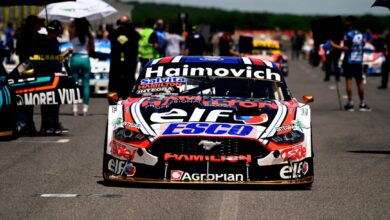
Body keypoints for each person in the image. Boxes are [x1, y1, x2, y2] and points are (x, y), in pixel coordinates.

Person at [37, 20, 72, 135]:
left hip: (50, 73)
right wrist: (65, 53)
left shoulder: (50, 41)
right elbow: (53, 58)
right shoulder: (49, 42)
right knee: (51, 101)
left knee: (51, 101)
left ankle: (51, 124)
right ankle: (49, 125)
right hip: (49, 74)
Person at [331, 16, 371, 111]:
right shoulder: (361, 34)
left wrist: (334, 45)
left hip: (349, 61)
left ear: (350, 22)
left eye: (347, 21)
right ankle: (362, 103)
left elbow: (346, 48)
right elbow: (363, 45)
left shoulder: (348, 34)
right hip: (358, 61)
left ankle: (350, 104)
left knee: (349, 81)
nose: (345, 22)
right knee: (359, 82)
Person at [15, 15, 45, 135]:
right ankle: (29, 125)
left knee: (24, 97)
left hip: (22, 67)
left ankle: (24, 123)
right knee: (30, 98)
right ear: (34, 25)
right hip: (31, 68)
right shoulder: (34, 37)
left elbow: (17, 52)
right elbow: (37, 53)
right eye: (38, 24)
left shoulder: (21, 35)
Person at [108, 15, 140, 99]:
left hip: (116, 63)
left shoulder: (114, 33)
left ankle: (113, 104)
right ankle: (127, 101)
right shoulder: (133, 33)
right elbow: (137, 37)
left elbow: (110, 36)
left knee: (113, 84)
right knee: (129, 82)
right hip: (129, 63)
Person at [68, 18, 94, 116]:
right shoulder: (88, 34)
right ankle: (85, 109)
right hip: (85, 58)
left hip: (75, 58)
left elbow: (69, 28)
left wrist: (73, 22)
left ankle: (75, 108)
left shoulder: (73, 33)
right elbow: (91, 48)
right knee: (86, 84)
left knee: (74, 84)